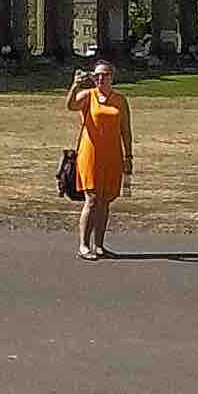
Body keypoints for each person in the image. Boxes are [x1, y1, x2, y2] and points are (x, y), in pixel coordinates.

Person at [69, 57, 131, 258]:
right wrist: (75, 85)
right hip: (90, 153)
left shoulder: (120, 100)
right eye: (97, 75)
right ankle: (84, 245)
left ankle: (100, 245)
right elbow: (70, 105)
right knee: (92, 199)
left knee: (105, 200)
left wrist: (128, 155)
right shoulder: (88, 95)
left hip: (112, 154)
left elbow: (126, 130)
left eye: (105, 75)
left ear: (112, 77)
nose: (100, 79)